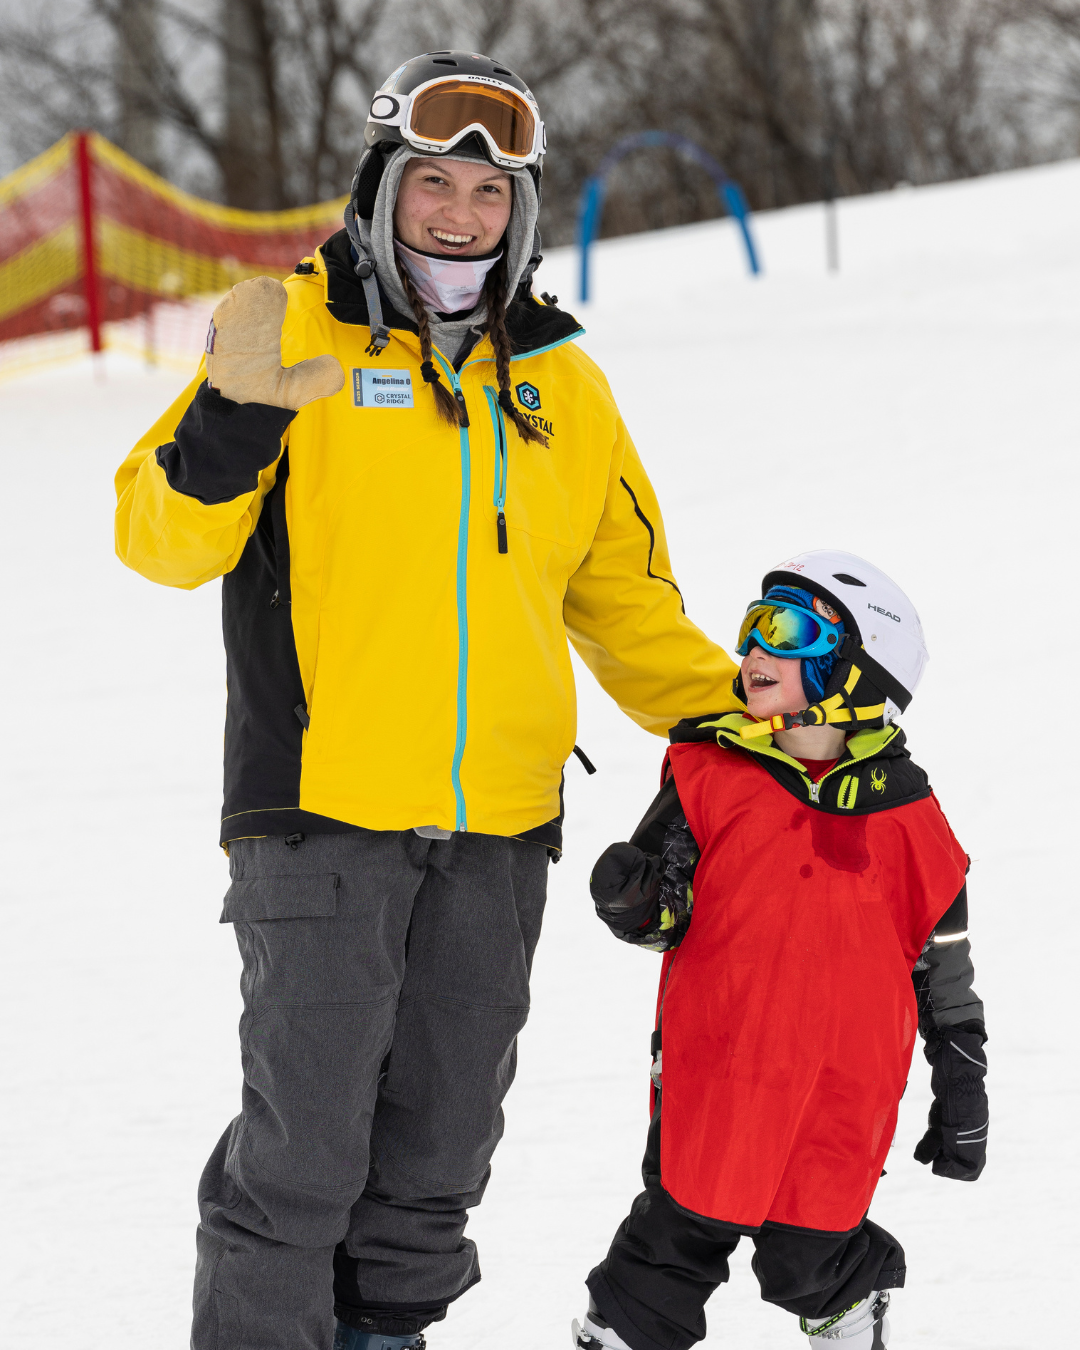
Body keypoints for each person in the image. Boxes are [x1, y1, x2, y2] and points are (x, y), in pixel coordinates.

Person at [113, 50, 741, 1350]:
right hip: (322, 817)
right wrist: (230, 417)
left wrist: (747, 722)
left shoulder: (559, 382)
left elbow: (622, 598)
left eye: (489, 193)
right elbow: (160, 540)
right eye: (436, 183)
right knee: (304, 1149)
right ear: (384, 185)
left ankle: (384, 1337)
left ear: (519, 212)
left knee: (441, 1145)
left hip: (501, 829)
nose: (460, 214)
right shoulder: (288, 332)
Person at [577, 550, 988, 1350]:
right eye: (752, 629)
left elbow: (945, 967)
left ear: (859, 667)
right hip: (720, 1070)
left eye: (785, 630)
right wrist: (635, 906)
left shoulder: (910, 816)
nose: (754, 651)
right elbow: (672, 912)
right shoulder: (709, 772)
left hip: (841, 1090)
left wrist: (962, 1084)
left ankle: (847, 1317)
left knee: (814, 1250)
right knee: (670, 1244)